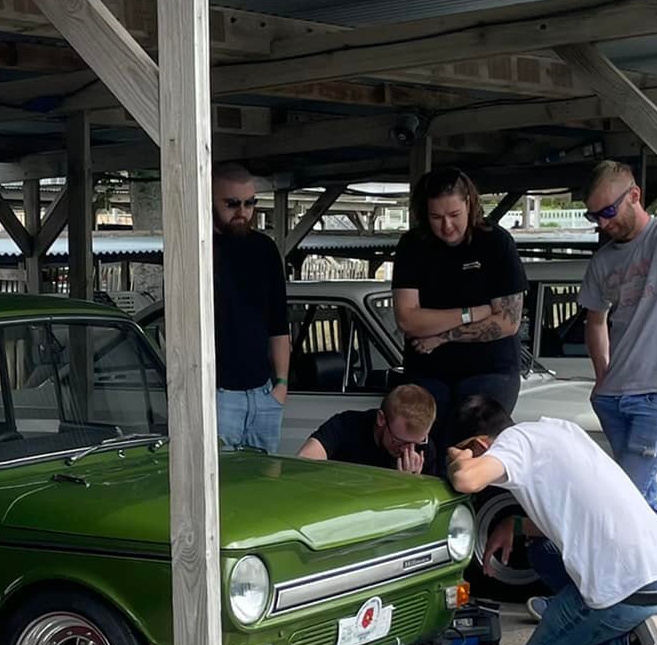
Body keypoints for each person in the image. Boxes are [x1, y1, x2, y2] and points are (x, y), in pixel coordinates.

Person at [445, 396, 657, 645]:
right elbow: (574, 511)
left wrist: (456, 458)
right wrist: (516, 525)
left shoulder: (512, 445)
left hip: (627, 589)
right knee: (542, 550)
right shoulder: (560, 430)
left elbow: (465, 479)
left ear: (480, 444)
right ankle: (611, 622)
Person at [578, 123, 657, 513]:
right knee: (640, 496)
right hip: (614, 394)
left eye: (608, 212)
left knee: (624, 494)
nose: (602, 224)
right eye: (594, 216)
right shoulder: (602, 260)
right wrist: (602, 376)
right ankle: (652, 553)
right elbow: (595, 320)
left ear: (635, 196)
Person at [391, 167, 527, 453]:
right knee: (425, 449)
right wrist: (472, 312)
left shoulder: (495, 242)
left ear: (469, 204)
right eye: (436, 217)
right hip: (428, 370)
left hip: (490, 369)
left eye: (454, 215)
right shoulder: (412, 245)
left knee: (472, 451)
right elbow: (407, 318)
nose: (447, 226)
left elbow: (507, 322)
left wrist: (441, 337)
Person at [209, 162, 290, 453]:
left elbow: (279, 322)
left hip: (263, 392)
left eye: (250, 203)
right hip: (218, 394)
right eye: (232, 204)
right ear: (209, 200)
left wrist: (281, 384)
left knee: (265, 476)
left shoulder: (265, 249)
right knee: (220, 477)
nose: (242, 212)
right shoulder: (199, 249)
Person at [297, 384, 440, 474]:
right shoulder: (347, 425)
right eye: (399, 441)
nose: (407, 450)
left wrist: (414, 485)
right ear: (381, 419)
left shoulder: (424, 449)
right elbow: (304, 463)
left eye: (417, 442)